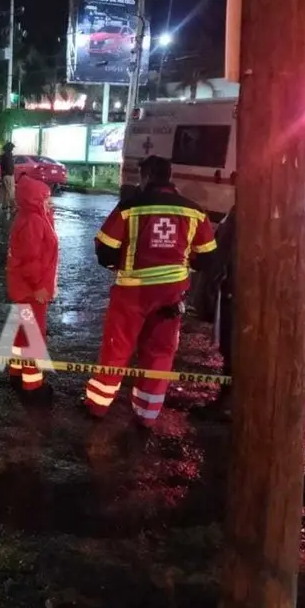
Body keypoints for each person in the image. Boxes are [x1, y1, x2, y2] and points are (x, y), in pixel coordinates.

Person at [86, 155, 217, 425]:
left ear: (145, 177)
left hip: (131, 294)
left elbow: (105, 250)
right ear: (170, 176)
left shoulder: (130, 207)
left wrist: (118, 263)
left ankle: (97, 407)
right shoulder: (194, 211)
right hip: (171, 295)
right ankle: (147, 414)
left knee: (116, 349)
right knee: (160, 352)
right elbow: (207, 258)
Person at [5, 175, 59, 395]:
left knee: (23, 331)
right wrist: (39, 286)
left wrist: (48, 214)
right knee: (35, 335)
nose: (50, 201)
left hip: (24, 288)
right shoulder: (34, 221)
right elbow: (30, 259)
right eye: (46, 197)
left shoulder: (33, 217)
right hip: (31, 290)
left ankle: (17, 370)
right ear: (35, 199)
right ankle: (33, 383)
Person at [188, 204, 236, 417]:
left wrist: (210, 290)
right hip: (231, 290)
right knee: (230, 349)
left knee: (233, 348)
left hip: (234, 292)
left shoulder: (245, 213)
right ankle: (228, 400)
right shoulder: (238, 211)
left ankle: (229, 404)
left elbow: (222, 255)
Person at [0, 141, 16, 211]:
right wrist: (11, 173)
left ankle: (4, 205)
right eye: (12, 148)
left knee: (6, 191)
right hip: (8, 175)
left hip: (4, 175)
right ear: (9, 148)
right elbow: (9, 166)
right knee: (11, 191)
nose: (12, 149)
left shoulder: (2, 155)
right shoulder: (8, 155)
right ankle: (12, 207)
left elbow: (2, 165)